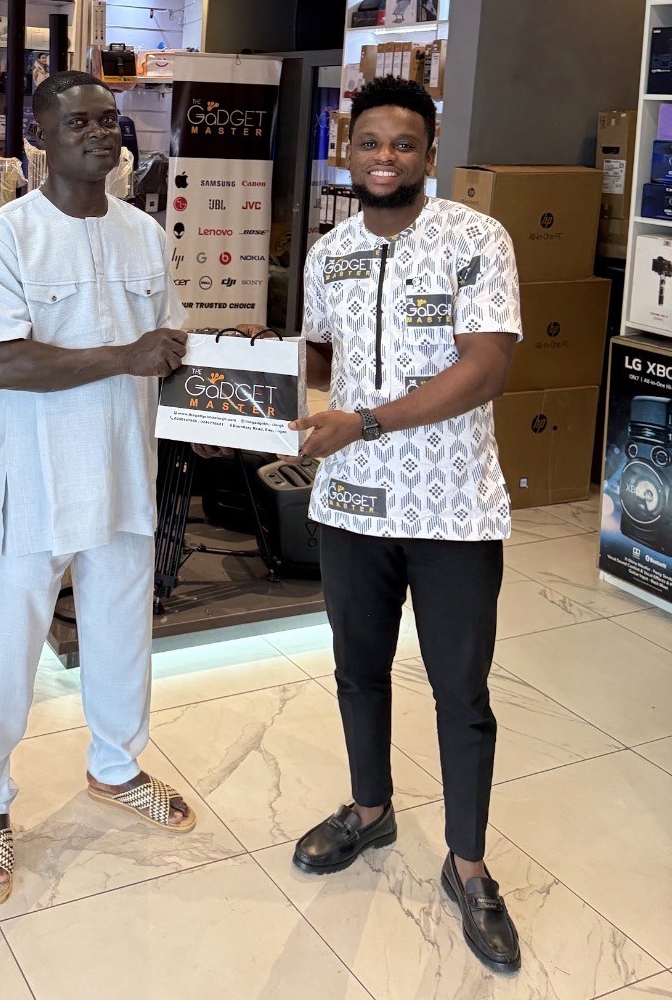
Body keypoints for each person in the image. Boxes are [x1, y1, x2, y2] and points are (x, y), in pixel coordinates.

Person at [289, 74, 523, 973]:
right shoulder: (328, 251)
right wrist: (268, 393)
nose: (385, 159)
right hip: (350, 504)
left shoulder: (476, 239)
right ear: (347, 150)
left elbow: (486, 367)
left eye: (404, 145)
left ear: (428, 154)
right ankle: (370, 811)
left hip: (452, 507)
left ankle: (469, 868)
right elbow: (320, 349)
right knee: (357, 670)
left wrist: (369, 421)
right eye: (369, 143)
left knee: (461, 692)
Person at [0, 69, 193, 906]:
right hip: (44, 478)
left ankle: (116, 766)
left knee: (124, 626)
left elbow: (169, 349)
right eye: (81, 122)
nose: (102, 134)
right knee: (10, 645)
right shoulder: (3, 240)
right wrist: (124, 356)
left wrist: (246, 378)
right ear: (40, 136)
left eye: (111, 121)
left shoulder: (146, 237)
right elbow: (3, 362)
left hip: (129, 466)